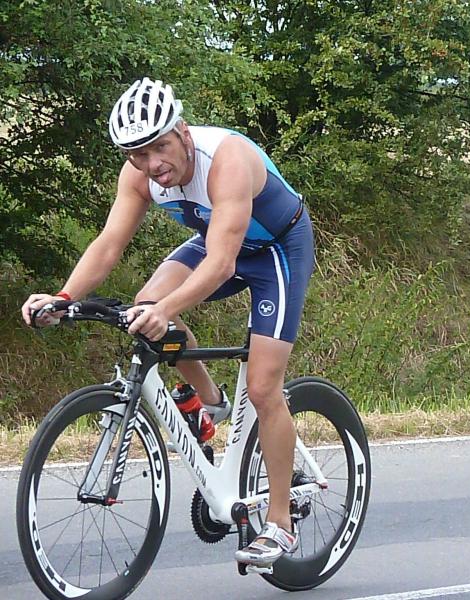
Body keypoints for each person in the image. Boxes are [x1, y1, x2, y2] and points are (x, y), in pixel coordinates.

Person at [20, 77, 315, 568]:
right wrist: (65, 296)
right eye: (138, 154)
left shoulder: (227, 159)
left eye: (160, 146)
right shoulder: (139, 175)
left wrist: (166, 311)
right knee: (147, 302)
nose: (153, 163)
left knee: (264, 389)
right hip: (218, 239)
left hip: (277, 252)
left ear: (182, 131)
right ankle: (212, 404)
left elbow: (221, 264)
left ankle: (281, 524)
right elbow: (109, 244)